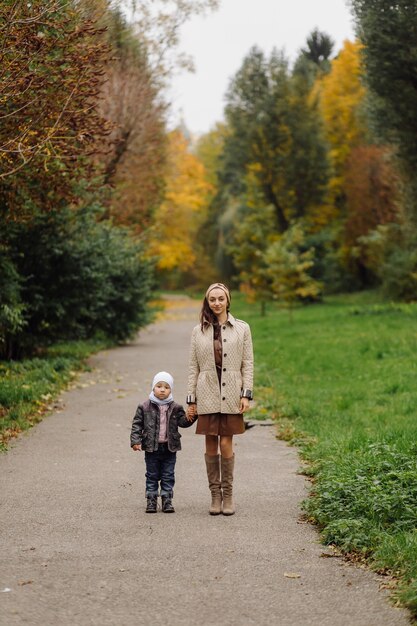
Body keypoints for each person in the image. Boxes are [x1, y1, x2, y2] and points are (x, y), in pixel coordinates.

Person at [187, 283, 254, 516]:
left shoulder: (242, 329)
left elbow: (248, 363)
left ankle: (229, 495)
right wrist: (191, 400)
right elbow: (192, 367)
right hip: (206, 393)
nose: (216, 303)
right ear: (207, 302)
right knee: (210, 442)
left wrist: (246, 394)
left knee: (226, 442)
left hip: (232, 393)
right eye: (212, 299)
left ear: (228, 300)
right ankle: (215, 496)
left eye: (221, 299)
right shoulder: (198, 331)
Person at [130, 371, 195, 513]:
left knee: (168, 475)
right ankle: (151, 500)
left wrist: (192, 416)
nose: (162, 389)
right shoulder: (144, 406)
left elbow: (183, 423)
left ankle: (167, 500)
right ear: (153, 388)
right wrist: (135, 440)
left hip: (169, 448)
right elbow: (137, 425)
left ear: (170, 390)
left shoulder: (176, 407)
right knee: (152, 475)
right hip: (151, 448)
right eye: (159, 386)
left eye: (166, 387)